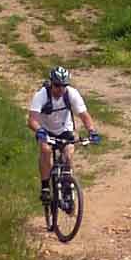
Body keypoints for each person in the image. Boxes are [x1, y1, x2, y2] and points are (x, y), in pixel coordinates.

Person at [28, 66, 101, 206]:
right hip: (45, 130)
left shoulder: (71, 94)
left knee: (68, 153)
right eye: (57, 85)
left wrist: (92, 131)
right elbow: (32, 120)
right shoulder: (41, 95)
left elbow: (84, 116)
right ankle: (45, 187)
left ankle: (67, 183)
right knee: (46, 150)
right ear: (51, 83)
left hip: (65, 129)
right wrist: (39, 130)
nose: (60, 89)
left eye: (64, 86)